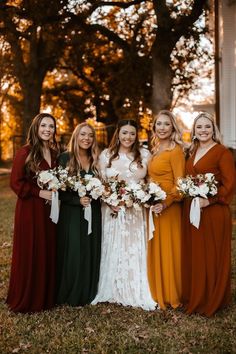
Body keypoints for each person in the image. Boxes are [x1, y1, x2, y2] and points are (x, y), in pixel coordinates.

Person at [92, 119, 156, 311]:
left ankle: (135, 286)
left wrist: (142, 196)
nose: (128, 137)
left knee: (133, 246)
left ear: (136, 136)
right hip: (112, 209)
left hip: (136, 211)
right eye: (124, 133)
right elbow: (100, 182)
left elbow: (150, 181)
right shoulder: (106, 155)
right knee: (115, 245)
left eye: (132, 133)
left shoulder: (145, 155)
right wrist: (109, 201)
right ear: (118, 134)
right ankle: (112, 286)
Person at [181, 112, 235, 317]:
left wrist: (209, 200)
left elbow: (230, 185)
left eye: (207, 127)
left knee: (211, 256)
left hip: (213, 212)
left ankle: (212, 299)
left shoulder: (222, 152)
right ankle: (197, 295)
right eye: (199, 127)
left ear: (214, 130)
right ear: (193, 130)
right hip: (192, 210)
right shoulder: (191, 151)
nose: (203, 130)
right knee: (196, 254)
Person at [6, 113, 59, 313]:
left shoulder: (54, 153)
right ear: (36, 128)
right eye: (44, 125)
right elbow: (15, 183)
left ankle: (45, 296)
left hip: (49, 211)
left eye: (51, 126)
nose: (47, 129)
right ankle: (27, 298)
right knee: (31, 250)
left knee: (46, 248)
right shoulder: (25, 152)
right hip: (30, 209)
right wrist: (39, 192)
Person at [56, 122, 101, 306]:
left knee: (90, 250)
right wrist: (77, 201)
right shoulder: (65, 158)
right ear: (76, 136)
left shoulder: (96, 160)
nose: (86, 138)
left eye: (90, 135)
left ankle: (88, 291)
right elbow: (58, 190)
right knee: (74, 251)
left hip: (94, 211)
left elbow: (104, 186)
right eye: (83, 134)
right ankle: (71, 291)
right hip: (72, 213)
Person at [147, 110, 185, 310]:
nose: (162, 128)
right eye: (159, 124)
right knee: (157, 248)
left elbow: (180, 185)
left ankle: (171, 294)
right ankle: (157, 290)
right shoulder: (154, 148)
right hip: (154, 206)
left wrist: (166, 202)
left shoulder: (175, 150)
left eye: (166, 124)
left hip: (169, 208)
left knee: (170, 249)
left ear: (172, 128)